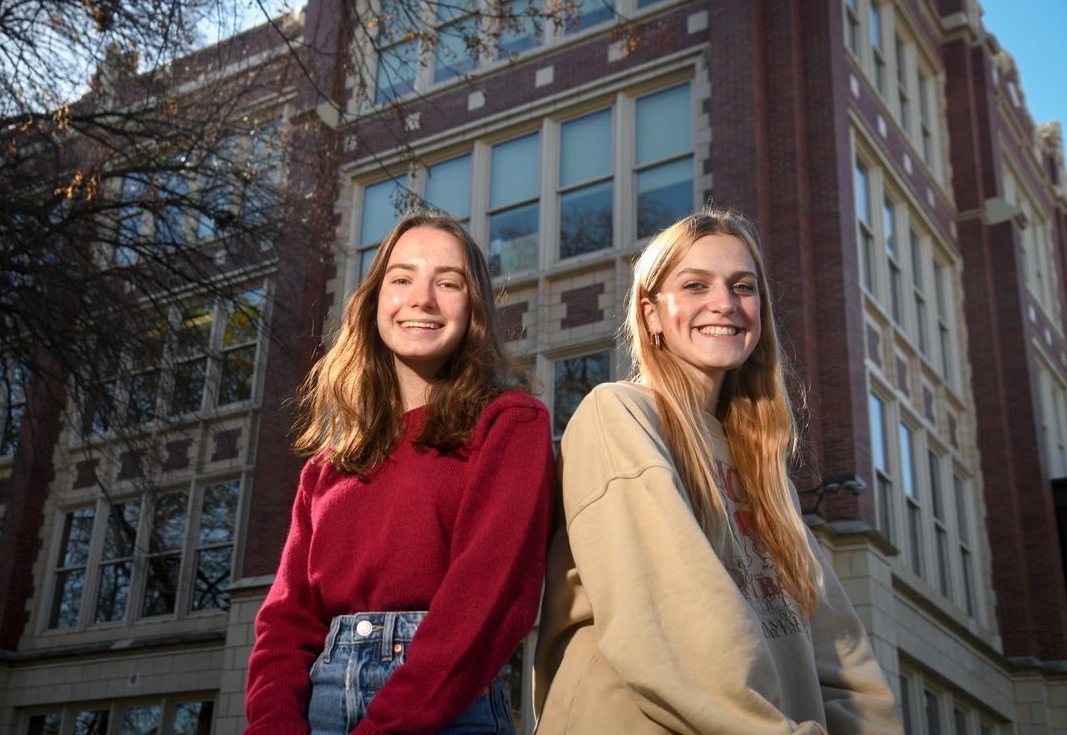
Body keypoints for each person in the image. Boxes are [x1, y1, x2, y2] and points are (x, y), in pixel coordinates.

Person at [533, 208, 902, 734]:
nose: (725, 303)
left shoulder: (763, 470)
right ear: (652, 313)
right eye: (695, 284)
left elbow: (837, 648)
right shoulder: (617, 414)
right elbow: (679, 620)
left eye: (743, 286)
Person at [245, 209, 556, 735]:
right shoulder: (325, 468)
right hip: (319, 706)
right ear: (374, 302)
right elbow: (284, 623)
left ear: (473, 307)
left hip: (452, 708)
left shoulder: (511, 424)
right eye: (403, 278)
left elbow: (488, 600)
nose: (423, 299)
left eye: (448, 282)